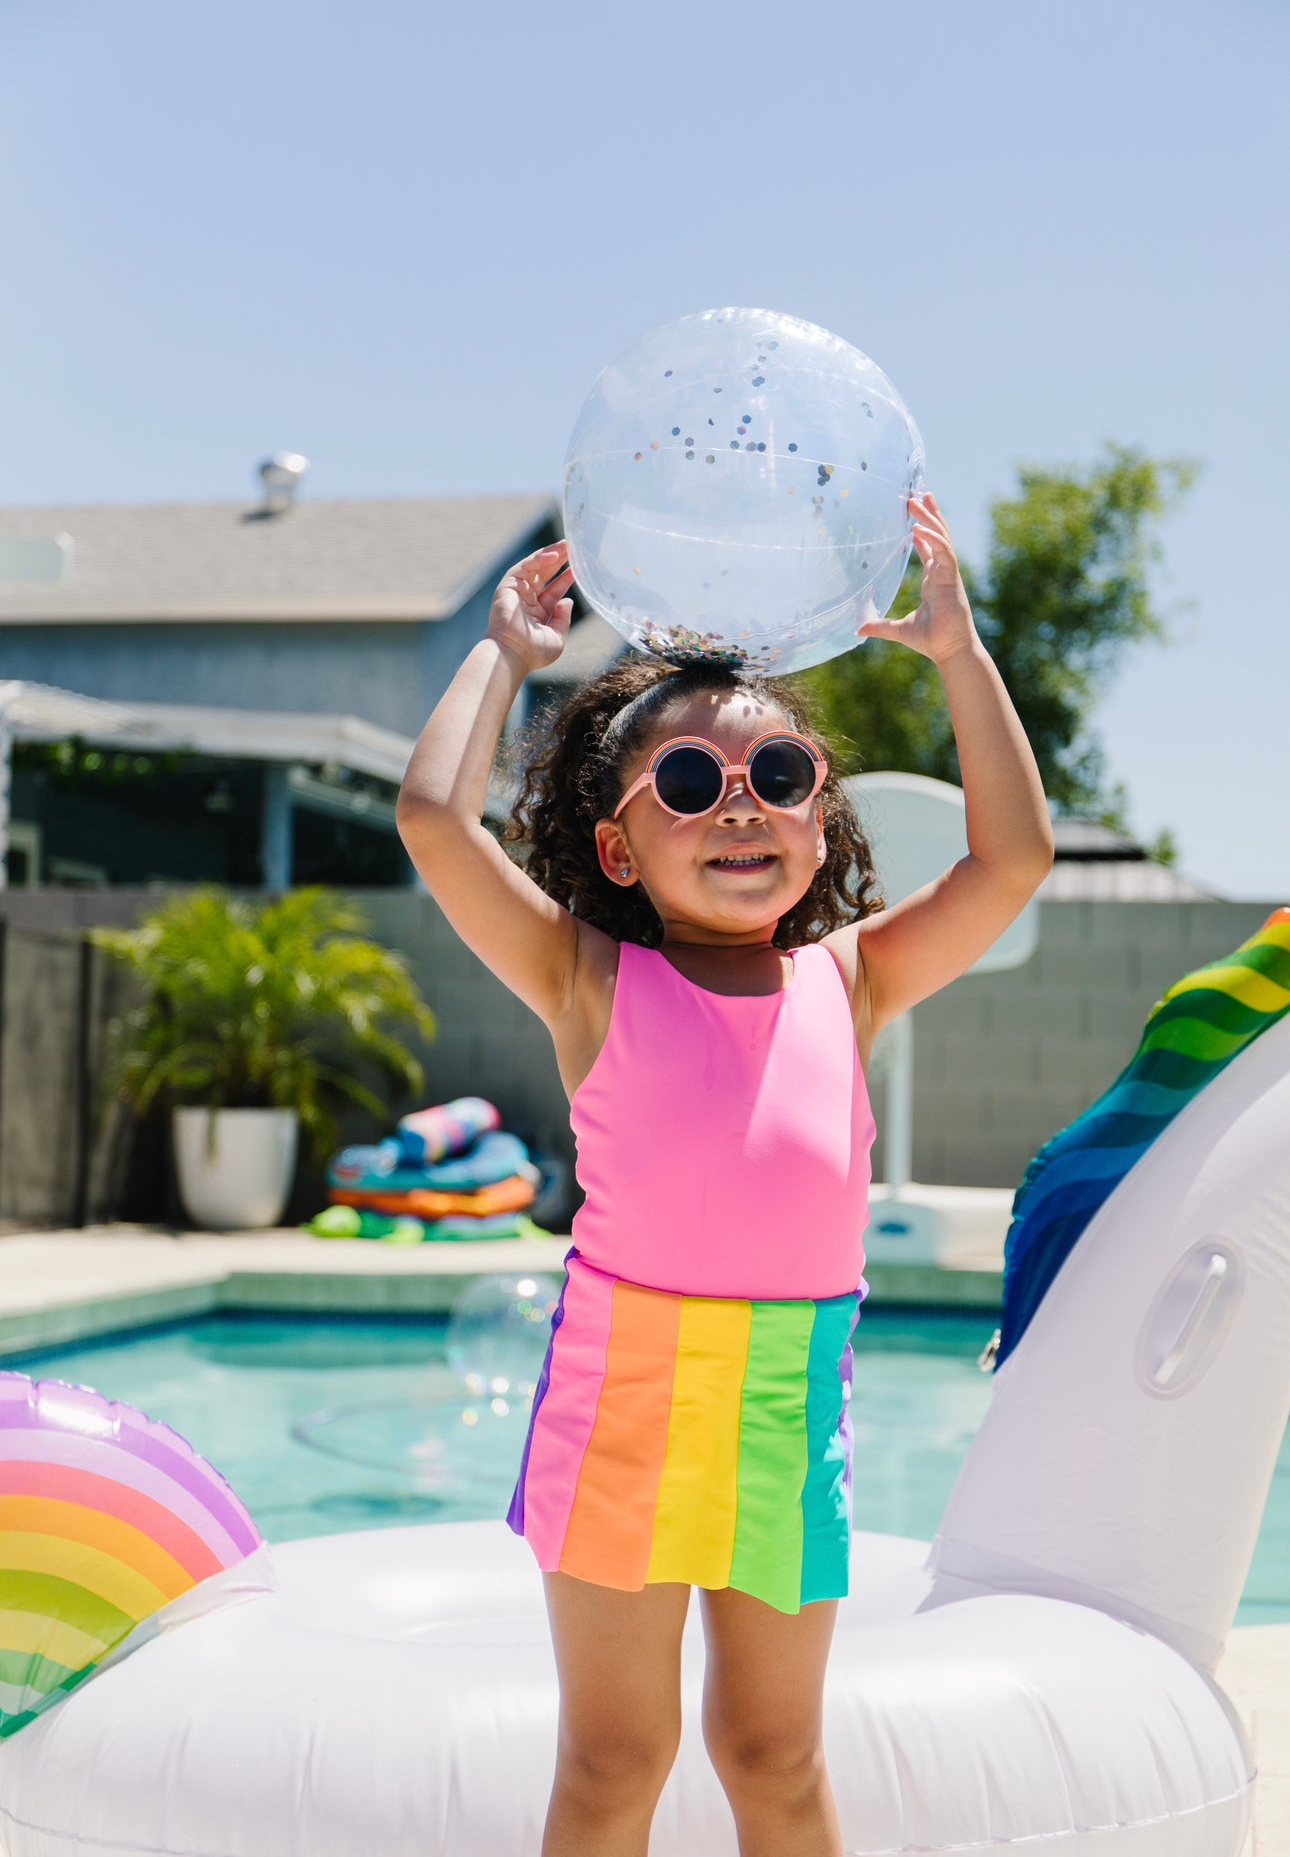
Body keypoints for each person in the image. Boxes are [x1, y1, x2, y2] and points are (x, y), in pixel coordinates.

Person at [396, 491, 1054, 1857]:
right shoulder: (586, 977)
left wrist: (957, 656)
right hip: (622, 1392)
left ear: (822, 816)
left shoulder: (852, 976)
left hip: (783, 1395)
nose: (740, 806)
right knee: (611, 1762)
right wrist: (504, 655)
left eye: (779, 776)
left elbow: (1013, 858)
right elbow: (430, 821)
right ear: (620, 846)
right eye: (690, 783)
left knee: (773, 1753)